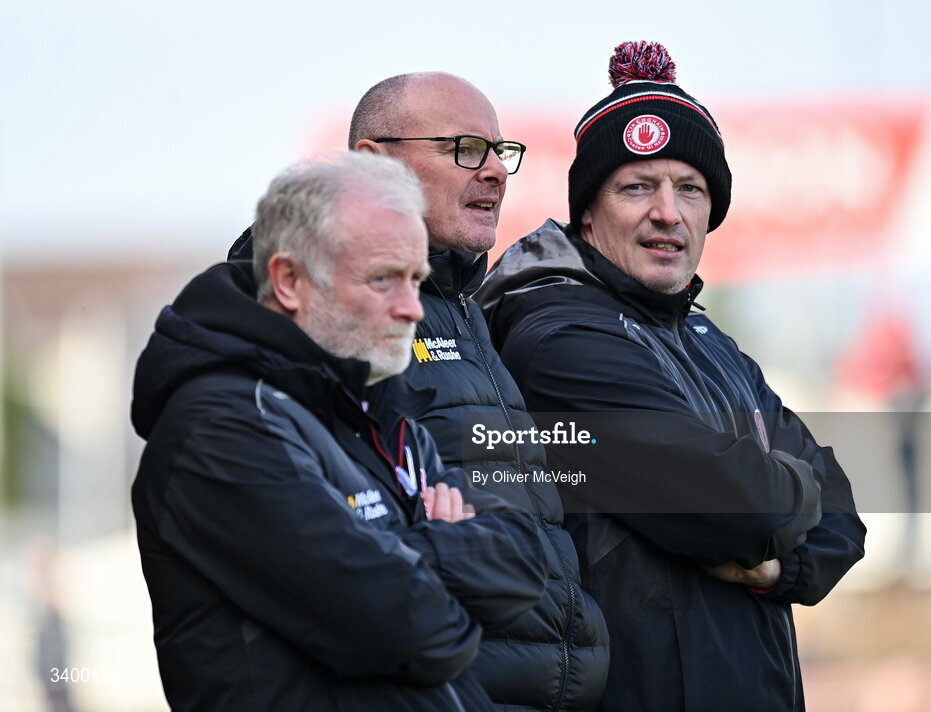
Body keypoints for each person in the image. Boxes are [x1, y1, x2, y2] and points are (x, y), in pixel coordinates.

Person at [476, 42, 867, 712]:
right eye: (637, 187)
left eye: (689, 189)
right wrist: (786, 485)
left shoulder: (710, 343)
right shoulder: (558, 337)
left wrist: (778, 564)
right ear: (588, 214)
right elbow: (738, 506)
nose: (668, 212)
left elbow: (845, 522)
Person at [228, 72, 609, 712]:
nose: (494, 171)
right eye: (463, 148)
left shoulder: (464, 311)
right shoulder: (317, 306)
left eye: (499, 151)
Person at [131, 152, 547, 712]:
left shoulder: (379, 411)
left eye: (416, 280)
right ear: (289, 280)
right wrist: (445, 555)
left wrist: (399, 554)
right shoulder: (220, 425)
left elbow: (523, 560)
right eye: (383, 279)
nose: (412, 309)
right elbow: (416, 627)